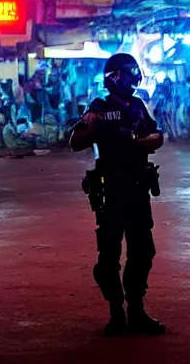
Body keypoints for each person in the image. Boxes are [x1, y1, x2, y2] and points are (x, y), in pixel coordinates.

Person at [67, 54, 167, 337]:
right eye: (129, 72)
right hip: (111, 191)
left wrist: (138, 140)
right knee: (109, 255)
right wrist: (95, 125)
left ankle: (136, 310)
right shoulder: (99, 107)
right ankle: (115, 312)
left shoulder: (137, 106)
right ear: (115, 77)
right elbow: (75, 141)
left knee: (142, 251)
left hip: (137, 189)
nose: (134, 78)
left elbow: (157, 136)